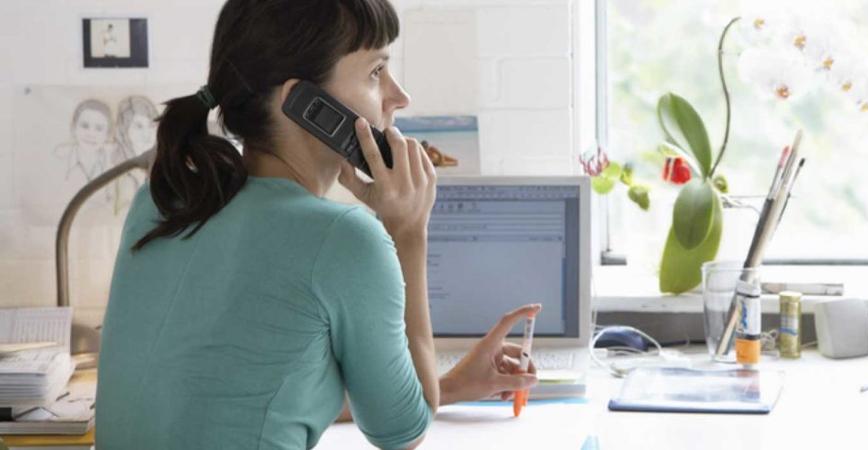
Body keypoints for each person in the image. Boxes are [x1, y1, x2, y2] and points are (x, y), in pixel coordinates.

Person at [95, 1, 538, 448]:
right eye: (375, 72)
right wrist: (407, 232)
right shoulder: (344, 238)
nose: (399, 96)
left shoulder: (162, 201)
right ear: (305, 105)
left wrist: (454, 385)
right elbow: (404, 431)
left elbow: (254, 394)